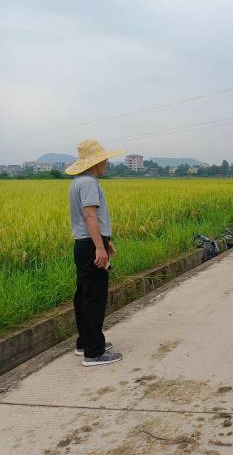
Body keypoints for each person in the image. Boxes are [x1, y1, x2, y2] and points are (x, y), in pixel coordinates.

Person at [65, 139, 124, 366]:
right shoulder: (89, 183)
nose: (107, 162)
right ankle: (94, 352)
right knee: (94, 296)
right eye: (104, 158)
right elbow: (90, 216)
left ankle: (85, 342)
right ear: (96, 161)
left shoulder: (77, 182)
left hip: (85, 243)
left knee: (84, 294)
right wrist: (99, 246)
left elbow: (88, 219)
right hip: (90, 244)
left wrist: (105, 242)